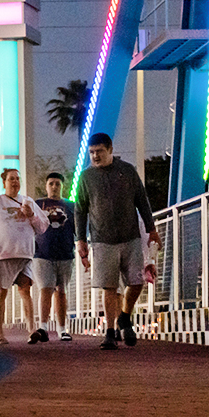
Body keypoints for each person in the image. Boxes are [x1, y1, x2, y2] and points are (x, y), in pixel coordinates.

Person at [76, 132, 161, 349]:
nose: (95, 156)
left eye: (100, 152)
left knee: (136, 281)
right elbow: (80, 210)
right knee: (109, 286)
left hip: (130, 237)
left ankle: (125, 316)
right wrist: (81, 240)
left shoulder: (127, 171)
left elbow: (142, 200)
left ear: (110, 150)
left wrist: (151, 230)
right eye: (92, 152)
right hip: (102, 240)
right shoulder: (86, 178)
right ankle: (110, 332)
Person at [0, 168, 48, 345]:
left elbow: (42, 227)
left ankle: (31, 330)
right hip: (3, 254)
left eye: (17, 178)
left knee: (26, 291)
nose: (15, 182)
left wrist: (30, 214)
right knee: (2, 291)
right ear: (4, 183)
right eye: (11, 179)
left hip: (24, 253)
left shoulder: (28, 202)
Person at [32, 172, 77, 342]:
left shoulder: (71, 206)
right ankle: (43, 326)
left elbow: (78, 228)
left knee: (62, 290)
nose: (54, 187)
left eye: (57, 184)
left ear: (62, 186)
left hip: (65, 253)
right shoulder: (38, 204)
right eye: (51, 183)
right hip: (43, 253)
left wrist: (81, 246)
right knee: (45, 288)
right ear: (46, 186)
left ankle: (62, 328)